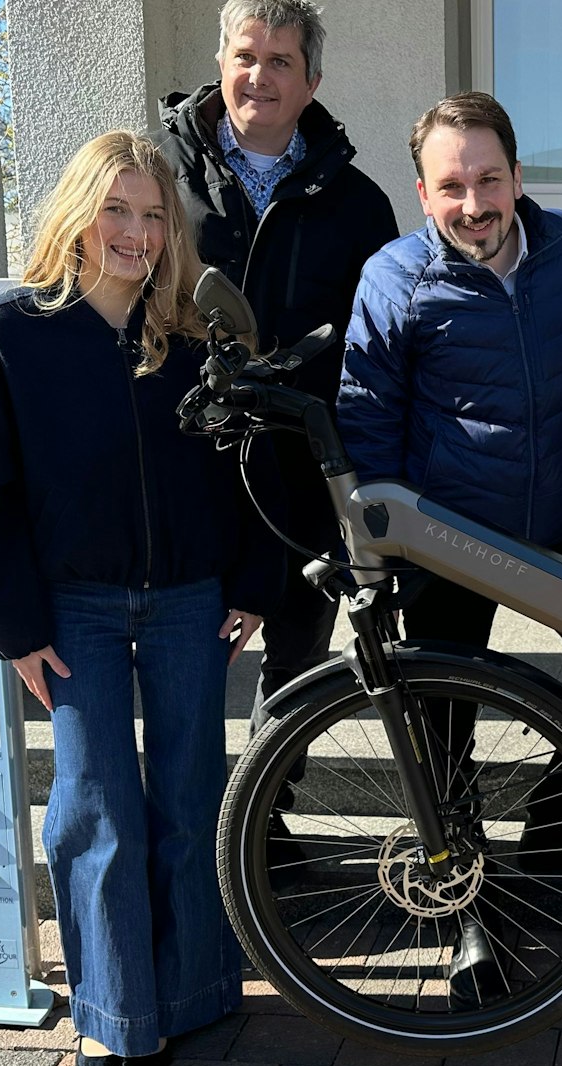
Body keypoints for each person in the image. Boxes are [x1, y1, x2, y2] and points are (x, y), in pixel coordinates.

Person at [0, 130, 265, 1066]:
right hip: (73, 607)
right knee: (96, 807)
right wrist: (13, 625)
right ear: (80, 214)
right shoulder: (11, 333)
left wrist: (251, 578)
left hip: (186, 602)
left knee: (187, 796)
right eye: (117, 210)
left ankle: (198, 990)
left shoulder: (190, 339)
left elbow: (244, 468)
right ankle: (114, 1016)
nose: (135, 233)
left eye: (153, 216)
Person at [336, 91, 562, 1001]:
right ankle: (468, 913)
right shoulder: (393, 277)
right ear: (423, 193)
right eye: (451, 186)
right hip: (449, 543)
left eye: (488, 179)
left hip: (559, 525)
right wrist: (382, 561)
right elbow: (367, 426)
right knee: (442, 744)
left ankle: (556, 837)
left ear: (517, 174)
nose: (473, 203)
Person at [161, 0, 399, 710]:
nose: (259, 75)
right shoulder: (158, 182)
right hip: (189, 461)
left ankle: (269, 816)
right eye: (245, 56)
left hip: (304, 472)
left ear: (311, 82)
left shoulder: (360, 204)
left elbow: (377, 350)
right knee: (189, 668)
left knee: (297, 671)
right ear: (220, 64)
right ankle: (201, 816)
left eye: (280, 61)